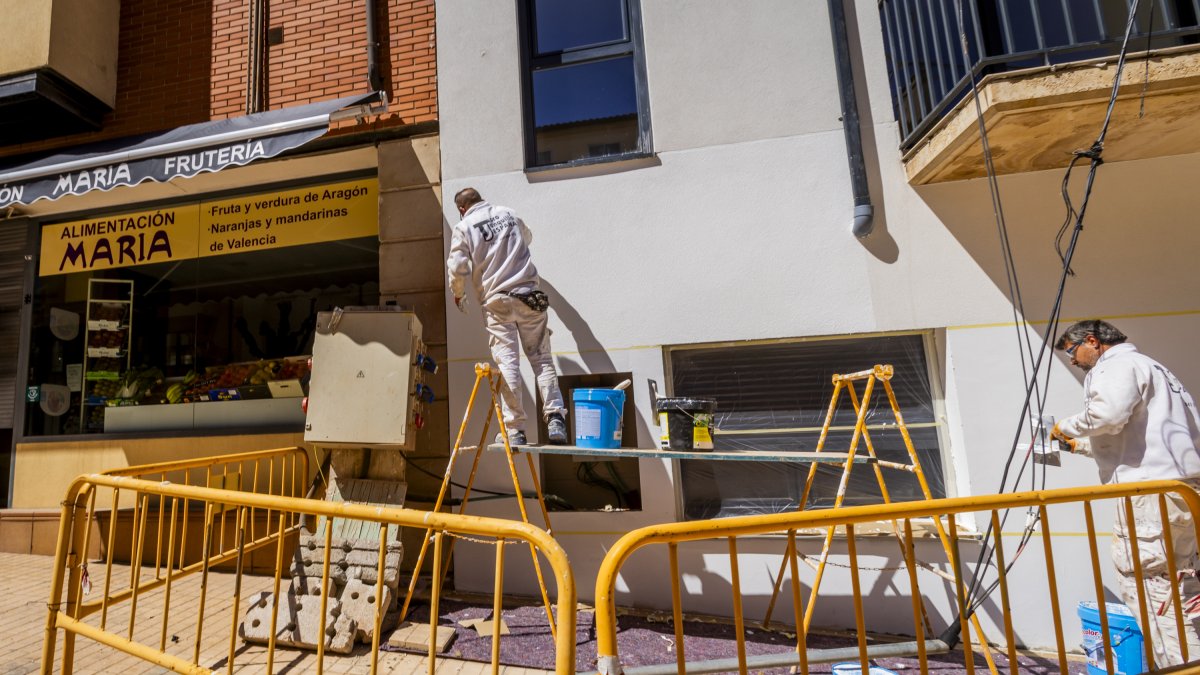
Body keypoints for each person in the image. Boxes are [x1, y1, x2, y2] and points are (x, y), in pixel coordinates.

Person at [1051, 319, 1200, 667]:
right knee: (1181, 587)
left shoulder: (1116, 365)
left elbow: (1108, 414)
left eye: (1073, 352)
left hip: (1152, 497)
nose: (1073, 361)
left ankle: (1180, 669)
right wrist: (1078, 446)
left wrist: (1064, 426)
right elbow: (1135, 438)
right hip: (1179, 492)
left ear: (1092, 341)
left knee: (1150, 588)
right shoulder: (1152, 368)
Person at [446, 187, 568, 446]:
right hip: (529, 296)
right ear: (480, 199)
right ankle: (556, 417)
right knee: (542, 359)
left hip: (498, 301)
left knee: (508, 364)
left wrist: (458, 294)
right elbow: (528, 236)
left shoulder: (465, 226)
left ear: (461, 209)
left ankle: (515, 431)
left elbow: (457, 267)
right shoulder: (508, 213)